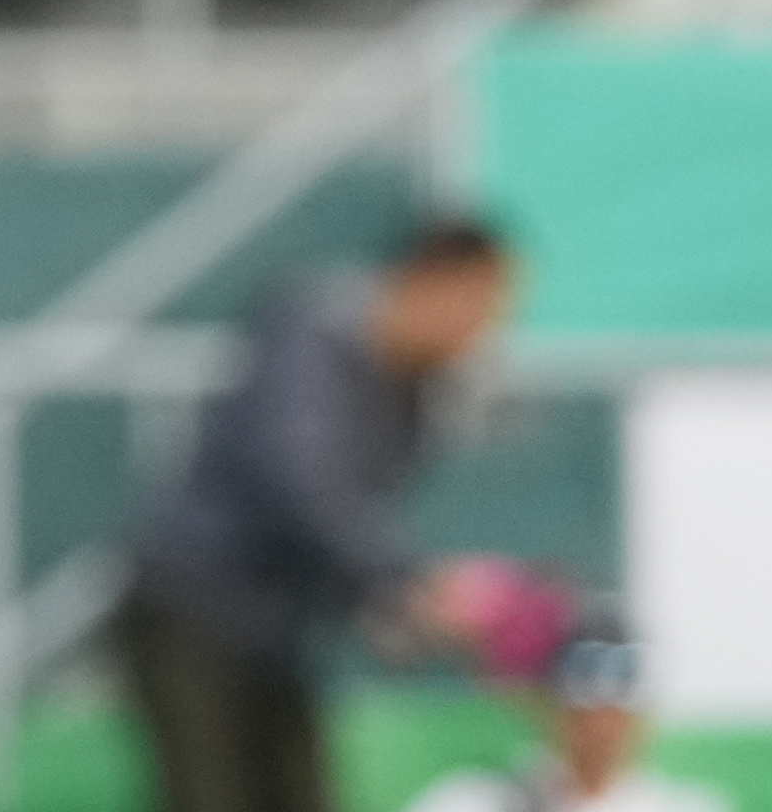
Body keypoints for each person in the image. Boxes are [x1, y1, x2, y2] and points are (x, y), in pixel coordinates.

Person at [112, 215, 528, 812]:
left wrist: (400, 612)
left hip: (277, 638)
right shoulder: (314, 325)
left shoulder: (414, 401)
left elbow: (342, 532)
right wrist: (410, 581)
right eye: (486, 305)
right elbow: (297, 477)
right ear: (436, 282)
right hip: (189, 615)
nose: (487, 331)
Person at [403, 616, 719, 812]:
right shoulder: (475, 801)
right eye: (585, 711)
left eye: (616, 711)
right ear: (548, 708)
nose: (600, 729)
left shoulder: (683, 807)